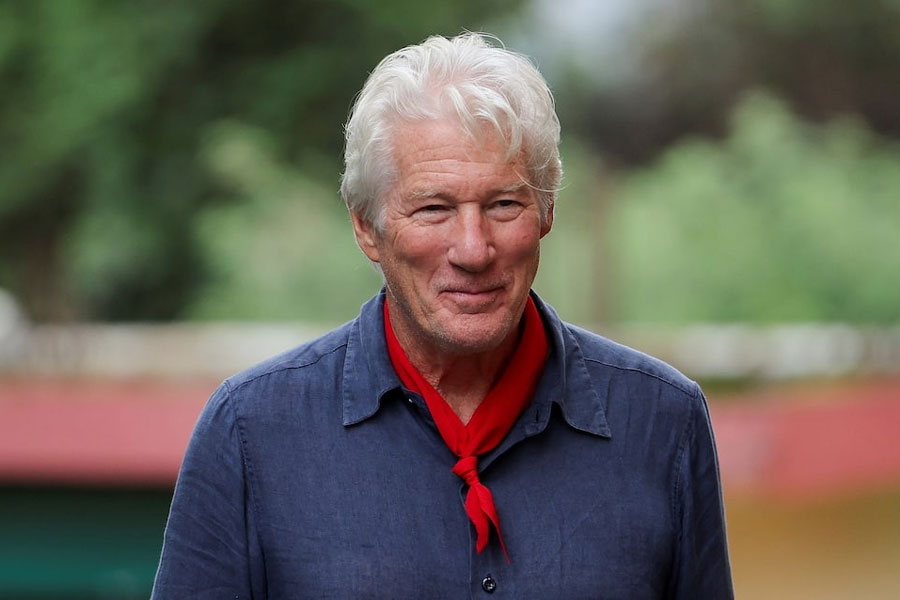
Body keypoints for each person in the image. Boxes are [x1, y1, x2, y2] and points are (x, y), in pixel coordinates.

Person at [152, 33, 733, 599]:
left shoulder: (663, 423)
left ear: (548, 211)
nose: (474, 249)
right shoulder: (252, 433)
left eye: (504, 204)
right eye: (433, 208)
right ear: (366, 227)